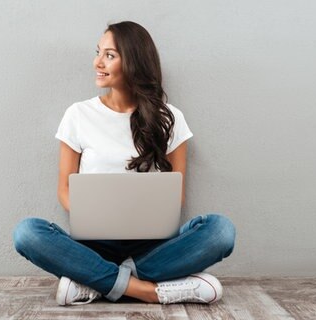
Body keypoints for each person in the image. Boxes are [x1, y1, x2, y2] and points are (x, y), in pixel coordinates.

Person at [13, 21, 236, 306]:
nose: (97, 62)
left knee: (220, 231)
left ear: (133, 61)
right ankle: (149, 291)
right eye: (98, 52)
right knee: (27, 233)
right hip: (93, 246)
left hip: (154, 247)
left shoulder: (170, 118)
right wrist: (95, 216)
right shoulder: (78, 114)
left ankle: (95, 283)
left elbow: (175, 195)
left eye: (109, 55)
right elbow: (65, 190)